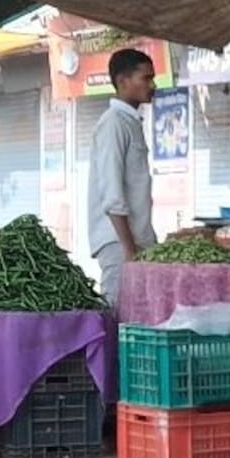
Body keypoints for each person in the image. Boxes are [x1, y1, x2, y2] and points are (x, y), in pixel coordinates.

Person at [86, 47, 159, 306]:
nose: (153, 85)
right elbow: (112, 194)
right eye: (146, 78)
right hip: (120, 244)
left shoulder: (130, 122)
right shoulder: (113, 123)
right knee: (120, 320)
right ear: (122, 81)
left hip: (137, 241)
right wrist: (129, 249)